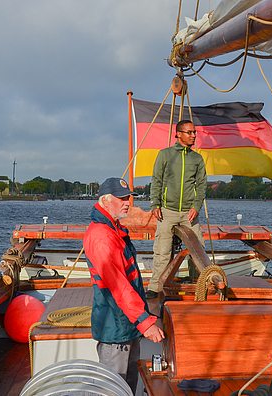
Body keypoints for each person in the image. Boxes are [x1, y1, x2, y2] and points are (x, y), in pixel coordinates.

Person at [83, 177, 165, 393]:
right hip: (115, 328)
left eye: (128, 197)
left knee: (127, 388)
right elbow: (118, 286)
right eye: (122, 198)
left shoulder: (113, 230)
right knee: (113, 389)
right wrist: (145, 322)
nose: (128, 202)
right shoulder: (102, 237)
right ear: (105, 201)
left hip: (125, 325)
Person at [146, 120, 207, 299]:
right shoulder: (164, 155)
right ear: (178, 134)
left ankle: (198, 285)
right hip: (168, 211)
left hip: (189, 213)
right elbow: (156, 180)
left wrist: (196, 207)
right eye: (189, 132)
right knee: (162, 251)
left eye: (194, 132)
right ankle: (155, 287)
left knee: (198, 249)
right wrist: (154, 205)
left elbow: (202, 185)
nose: (193, 135)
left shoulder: (197, 158)